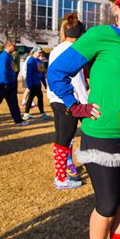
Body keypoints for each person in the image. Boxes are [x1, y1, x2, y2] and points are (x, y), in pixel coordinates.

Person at [48, 0, 120, 239]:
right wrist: (75, 105)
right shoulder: (98, 36)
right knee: (106, 204)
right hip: (103, 135)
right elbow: (57, 72)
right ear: (114, 8)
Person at [47, 13, 86, 189]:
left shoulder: (56, 49)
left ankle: (62, 173)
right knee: (65, 138)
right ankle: (61, 178)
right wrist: (83, 104)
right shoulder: (74, 51)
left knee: (62, 137)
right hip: (69, 101)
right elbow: (76, 82)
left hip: (55, 99)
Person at [0, 40, 29, 127]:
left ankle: (18, 120)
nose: (15, 48)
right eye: (14, 46)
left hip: (10, 83)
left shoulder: (9, 56)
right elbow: (2, 71)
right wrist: (5, 83)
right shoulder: (4, 56)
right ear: (9, 46)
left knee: (13, 102)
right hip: (4, 83)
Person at [22, 46, 50, 120]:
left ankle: (35, 114)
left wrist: (45, 84)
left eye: (41, 52)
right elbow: (29, 73)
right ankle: (29, 114)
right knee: (32, 98)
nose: (40, 54)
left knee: (38, 98)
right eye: (39, 52)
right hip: (33, 83)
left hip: (37, 84)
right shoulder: (31, 60)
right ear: (35, 52)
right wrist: (29, 84)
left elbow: (42, 74)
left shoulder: (40, 61)